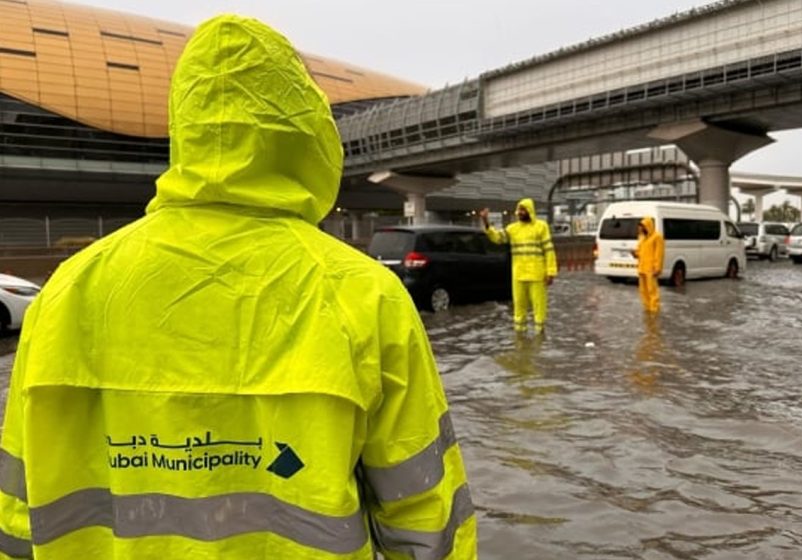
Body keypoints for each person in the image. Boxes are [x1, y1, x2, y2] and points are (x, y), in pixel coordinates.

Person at [0, 15, 476, 560]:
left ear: (186, 129)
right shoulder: (365, 296)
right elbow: (424, 517)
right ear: (306, 135)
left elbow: (17, 511)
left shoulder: (67, 293)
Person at [481, 199, 557, 334]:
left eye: (523, 210)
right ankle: (520, 336)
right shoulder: (512, 228)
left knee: (539, 307)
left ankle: (539, 335)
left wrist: (550, 273)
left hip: (537, 274)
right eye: (519, 210)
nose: (519, 212)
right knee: (519, 307)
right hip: (519, 274)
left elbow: (548, 251)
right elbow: (498, 238)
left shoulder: (541, 226)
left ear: (530, 211)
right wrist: (486, 223)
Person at [632, 216, 665, 313]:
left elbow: (659, 254)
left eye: (641, 226)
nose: (640, 228)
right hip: (642, 268)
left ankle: (654, 309)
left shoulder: (657, 237)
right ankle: (647, 308)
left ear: (647, 226)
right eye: (639, 226)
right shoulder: (642, 237)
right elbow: (640, 251)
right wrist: (635, 254)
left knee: (652, 290)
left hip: (651, 269)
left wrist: (658, 268)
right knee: (643, 290)